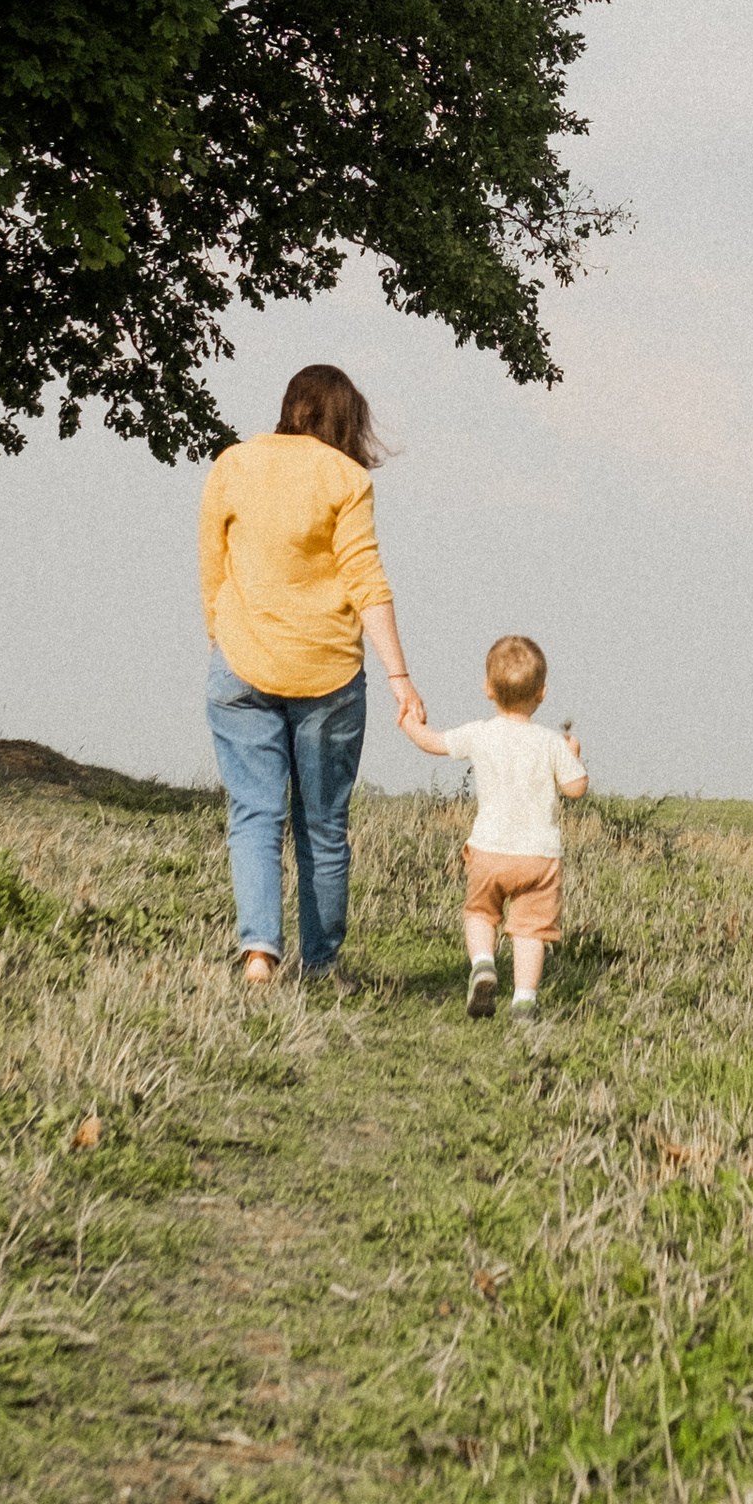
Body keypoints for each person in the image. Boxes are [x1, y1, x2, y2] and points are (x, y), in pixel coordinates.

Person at [199, 366, 425, 986]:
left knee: (254, 815)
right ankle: (321, 967)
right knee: (323, 827)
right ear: (347, 418)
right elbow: (366, 579)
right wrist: (400, 676)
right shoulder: (346, 477)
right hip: (327, 676)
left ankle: (259, 955)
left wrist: (223, 638)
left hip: (241, 665)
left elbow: (212, 568)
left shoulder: (232, 464)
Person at [399, 634, 589, 1021]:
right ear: (542, 693)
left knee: (480, 914)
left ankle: (484, 964)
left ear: (487, 688)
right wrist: (573, 755)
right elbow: (575, 789)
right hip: (538, 856)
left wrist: (409, 723)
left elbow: (431, 742)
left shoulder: (480, 733)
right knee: (530, 930)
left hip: (488, 850)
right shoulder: (551, 742)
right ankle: (524, 1000)